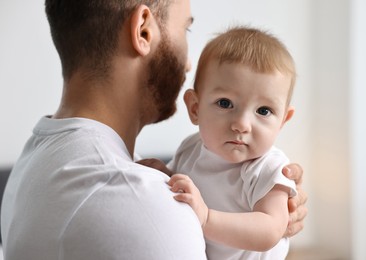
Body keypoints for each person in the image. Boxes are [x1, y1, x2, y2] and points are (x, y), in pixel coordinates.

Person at [0, 1, 306, 260]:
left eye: (264, 111)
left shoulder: (37, 154)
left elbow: (268, 227)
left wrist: (273, 219)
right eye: (185, 29)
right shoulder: (147, 209)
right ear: (143, 30)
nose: (189, 63)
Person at [139, 26, 300, 259]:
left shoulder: (269, 168)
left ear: (283, 120)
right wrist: (163, 173)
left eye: (263, 110)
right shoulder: (190, 148)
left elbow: (270, 229)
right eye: (225, 103)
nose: (242, 124)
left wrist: (206, 218)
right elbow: (181, 189)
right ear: (195, 108)